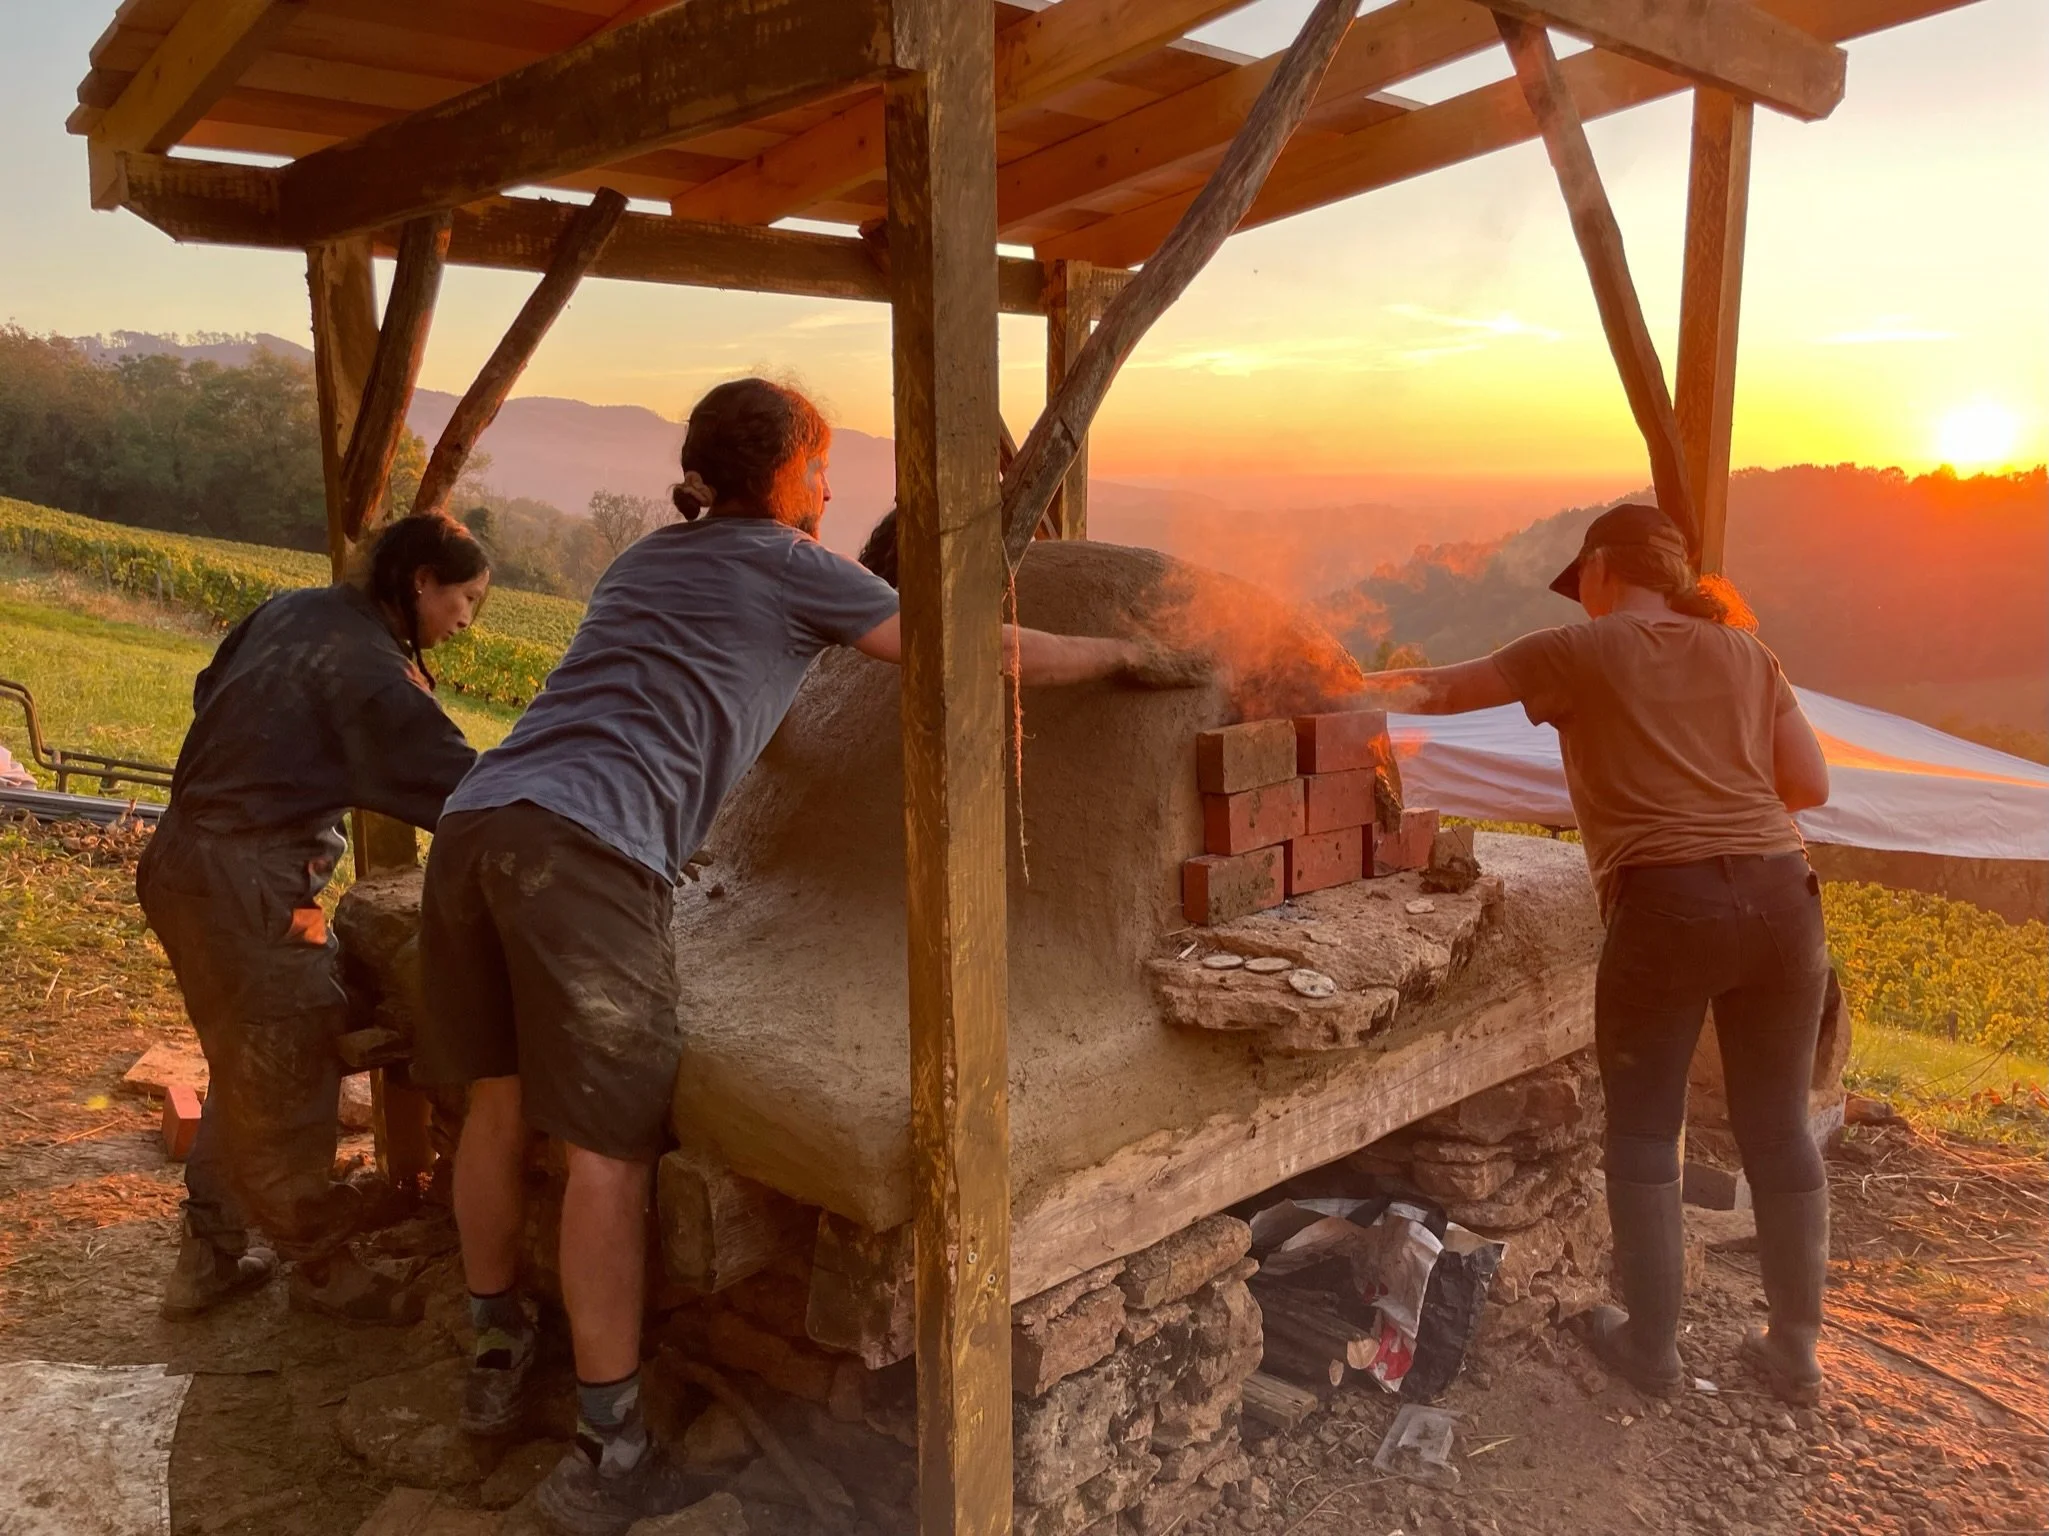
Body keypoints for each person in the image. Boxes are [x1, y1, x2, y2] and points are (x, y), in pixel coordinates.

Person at [416, 377, 1197, 1535]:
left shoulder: (644, 561)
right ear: (781, 477)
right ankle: (612, 1443)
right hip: (587, 857)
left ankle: (493, 1356)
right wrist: (1127, 662)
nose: (832, 489)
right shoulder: (791, 563)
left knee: (495, 1102)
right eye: (822, 468)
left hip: (478, 825)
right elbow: (982, 649)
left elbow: (715, 687)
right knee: (607, 1158)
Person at [1343, 502, 1833, 1406]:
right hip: (1781, 902)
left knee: (1646, 1129)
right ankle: (1794, 1350)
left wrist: (1321, 681)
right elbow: (1808, 784)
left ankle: (1652, 1347)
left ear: (1602, 571)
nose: (1581, 601)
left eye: (1584, 585)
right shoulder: (1747, 654)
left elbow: (1437, 693)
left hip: (1667, 908)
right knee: (1779, 1129)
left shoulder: (1581, 650)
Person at [139, 512, 490, 1324]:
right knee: (291, 1062)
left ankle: (210, 1250)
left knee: (245, 1051)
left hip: (177, 855)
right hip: (249, 882)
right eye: (465, 599)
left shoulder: (292, 608)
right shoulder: (371, 672)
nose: (466, 620)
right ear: (420, 583)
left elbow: (208, 693)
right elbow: (469, 792)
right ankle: (324, 1271)